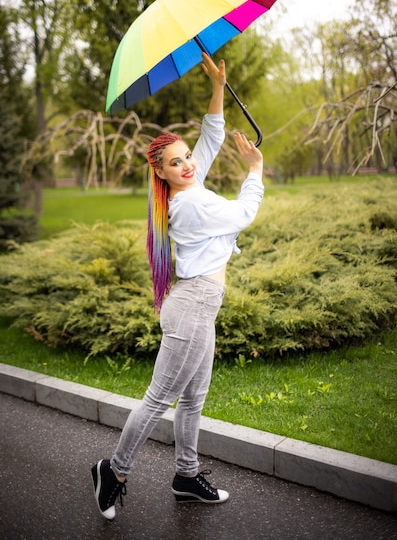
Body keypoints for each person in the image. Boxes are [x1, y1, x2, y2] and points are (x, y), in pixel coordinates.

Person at [91, 52, 264, 520]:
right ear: (161, 173)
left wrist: (215, 88)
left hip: (200, 305)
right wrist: (255, 171)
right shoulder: (189, 206)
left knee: (193, 398)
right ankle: (114, 469)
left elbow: (208, 141)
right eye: (175, 161)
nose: (188, 164)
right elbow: (243, 214)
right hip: (192, 307)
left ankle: (186, 475)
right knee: (158, 399)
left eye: (186, 157)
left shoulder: (186, 187)